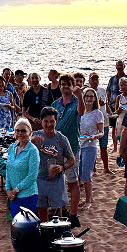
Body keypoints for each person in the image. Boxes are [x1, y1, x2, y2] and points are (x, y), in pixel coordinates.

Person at [4, 118, 40, 252]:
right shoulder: (12, 148)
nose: (20, 133)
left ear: (30, 132)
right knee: (16, 229)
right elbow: (8, 170)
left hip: (27, 195)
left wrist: (16, 190)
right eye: (17, 130)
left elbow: (32, 176)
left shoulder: (33, 151)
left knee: (25, 230)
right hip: (13, 196)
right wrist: (7, 189)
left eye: (23, 130)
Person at [32, 107, 75, 223]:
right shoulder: (35, 136)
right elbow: (19, 147)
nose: (49, 125)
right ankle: (45, 235)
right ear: (41, 121)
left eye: (52, 121)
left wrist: (63, 167)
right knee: (42, 211)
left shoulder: (62, 139)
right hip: (40, 179)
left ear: (56, 122)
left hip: (57, 179)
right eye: (46, 121)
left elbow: (72, 159)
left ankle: (57, 236)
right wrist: (29, 142)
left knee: (57, 213)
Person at [53, 74, 85, 227]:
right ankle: (63, 211)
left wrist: (80, 96)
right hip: (56, 148)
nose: (65, 87)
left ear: (72, 86)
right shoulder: (56, 103)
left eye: (68, 84)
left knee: (72, 181)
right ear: (59, 86)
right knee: (58, 181)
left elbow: (82, 112)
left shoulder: (77, 102)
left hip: (72, 148)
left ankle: (73, 215)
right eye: (62, 84)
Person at [78, 88, 104, 209]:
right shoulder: (80, 112)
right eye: (87, 96)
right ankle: (89, 197)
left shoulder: (97, 113)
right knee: (79, 173)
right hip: (79, 144)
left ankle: (88, 201)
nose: (89, 98)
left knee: (86, 174)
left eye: (91, 96)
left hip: (90, 145)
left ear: (95, 99)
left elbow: (101, 132)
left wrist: (94, 137)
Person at [88, 72, 112, 174]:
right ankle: (93, 169)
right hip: (92, 122)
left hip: (104, 121)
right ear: (89, 81)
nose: (95, 81)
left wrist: (111, 113)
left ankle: (106, 168)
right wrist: (97, 104)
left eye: (96, 79)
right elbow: (87, 106)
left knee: (104, 147)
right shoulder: (87, 91)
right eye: (93, 79)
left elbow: (106, 105)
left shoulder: (102, 90)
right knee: (92, 146)